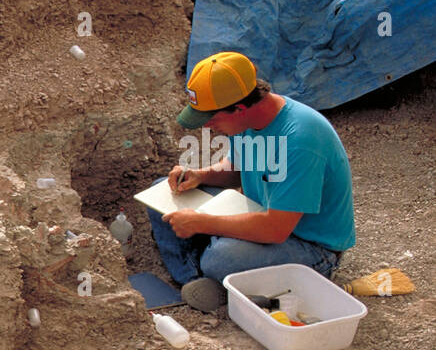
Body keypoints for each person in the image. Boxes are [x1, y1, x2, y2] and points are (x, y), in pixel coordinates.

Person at [148, 51, 355, 312]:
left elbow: (275, 229)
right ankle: (201, 277)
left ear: (240, 108)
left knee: (222, 259)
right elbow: (238, 168)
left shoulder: (300, 140)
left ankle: (213, 271)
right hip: (259, 215)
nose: (208, 128)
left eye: (211, 119)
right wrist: (201, 175)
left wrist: (203, 223)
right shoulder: (247, 120)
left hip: (308, 246)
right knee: (161, 191)